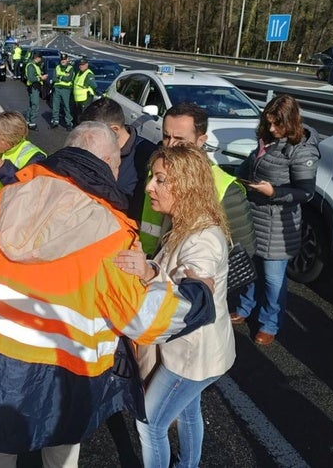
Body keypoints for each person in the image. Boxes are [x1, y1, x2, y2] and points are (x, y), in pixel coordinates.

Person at [0, 121, 217, 467]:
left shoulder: (7, 198)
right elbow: (144, 319)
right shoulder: (109, 231)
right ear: (111, 162)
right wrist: (197, 298)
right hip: (64, 372)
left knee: (0, 446)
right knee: (61, 450)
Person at [115, 144, 235, 468]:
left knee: (149, 423)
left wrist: (195, 287)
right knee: (187, 410)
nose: (149, 187)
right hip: (199, 350)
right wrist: (149, 269)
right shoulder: (186, 221)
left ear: (185, 185)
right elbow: (170, 274)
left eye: (160, 180)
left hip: (190, 357)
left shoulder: (203, 239)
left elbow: (197, 289)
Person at [231, 94, 320, 345]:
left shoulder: (301, 149)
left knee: (273, 279)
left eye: (277, 124)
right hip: (254, 216)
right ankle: (245, 307)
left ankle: (270, 323)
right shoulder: (267, 140)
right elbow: (249, 167)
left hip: (279, 225)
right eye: (268, 123)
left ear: (290, 122)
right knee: (249, 269)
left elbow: (306, 192)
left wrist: (275, 193)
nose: (271, 129)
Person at [155, 102, 256, 257]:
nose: (171, 145)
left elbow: (243, 252)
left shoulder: (226, 190)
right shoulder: (155, 173)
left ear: (201, 140)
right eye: (166, 136)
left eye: (180, 139)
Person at [82, 97, 157, 221]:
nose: (88, 140)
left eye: (93, 134)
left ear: (114, 130)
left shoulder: (147, 156)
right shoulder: (90, 151)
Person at [24, 52, 48, 131]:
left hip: (34, 87)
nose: (40, 60)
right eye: (40, 59)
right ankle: (32, 123)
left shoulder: (34, 65)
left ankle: (27, 120)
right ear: (37, 58)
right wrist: (41, 78)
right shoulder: (31, 66)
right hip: (33, 87)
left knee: (32, 105)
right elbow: (31, 78)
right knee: (35, 105)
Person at [50, 54, 75, 129]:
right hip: (57, 88)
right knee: (55, 105)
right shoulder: (57, 67)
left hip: (66, 89)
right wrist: (63, 76)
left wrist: (59, 77)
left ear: (67, 60)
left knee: (67, 106)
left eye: (64, 59)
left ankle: (69, 123)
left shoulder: (70, 68)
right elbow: (54, 78)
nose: (63, 61)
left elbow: (68, 79)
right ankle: (55, 121)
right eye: (62, 60)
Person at [72, 57, 97, 127]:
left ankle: (85, 128)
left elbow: (94, 85)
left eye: (83, 64)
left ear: (87, 65)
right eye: (80, 64)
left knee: (85, 115)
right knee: (79, 115)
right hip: (78, 99)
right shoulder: (79, 73)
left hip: (86, 99)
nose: (81, 66)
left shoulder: (88, 74)